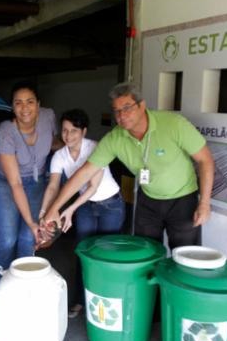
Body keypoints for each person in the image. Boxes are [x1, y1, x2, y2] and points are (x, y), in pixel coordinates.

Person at [43, 82, 214, 250]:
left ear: (142, 105)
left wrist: (204, 203)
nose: (121, 116)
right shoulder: (115, 138)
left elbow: (205, 160)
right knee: (146, 253)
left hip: (182, 199)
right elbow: (84, 173)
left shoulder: (173, 124)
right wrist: (54, 208)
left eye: (127, 108)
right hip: (148, 199)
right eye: (117, 111)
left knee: (185, 254)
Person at [39, 108, 125, 317]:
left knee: (106, 254)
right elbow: (53, 187)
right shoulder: (59, 156)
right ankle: (80, 300)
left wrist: (68, 210)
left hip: (110, 205)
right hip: (85, 206)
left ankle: (106, 300)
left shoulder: (96, 148)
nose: (68, 136)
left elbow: (93, 187)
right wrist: (44, 213)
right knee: (83, 251)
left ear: (84, 131)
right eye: (65, 131)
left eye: (74, 131)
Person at [0, 80, 59, 287]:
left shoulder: (48, 117)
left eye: (29, 102)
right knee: (8, 238)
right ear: (12, 106)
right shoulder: (6, 132)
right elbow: (16, 183)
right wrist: (31, 221)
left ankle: (23, 289)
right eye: (18, 103)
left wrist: (75, 150)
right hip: (5, 179)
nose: (24, 108)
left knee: (29, 238)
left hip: (35, 178)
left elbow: (53, 142)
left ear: (38, 104)